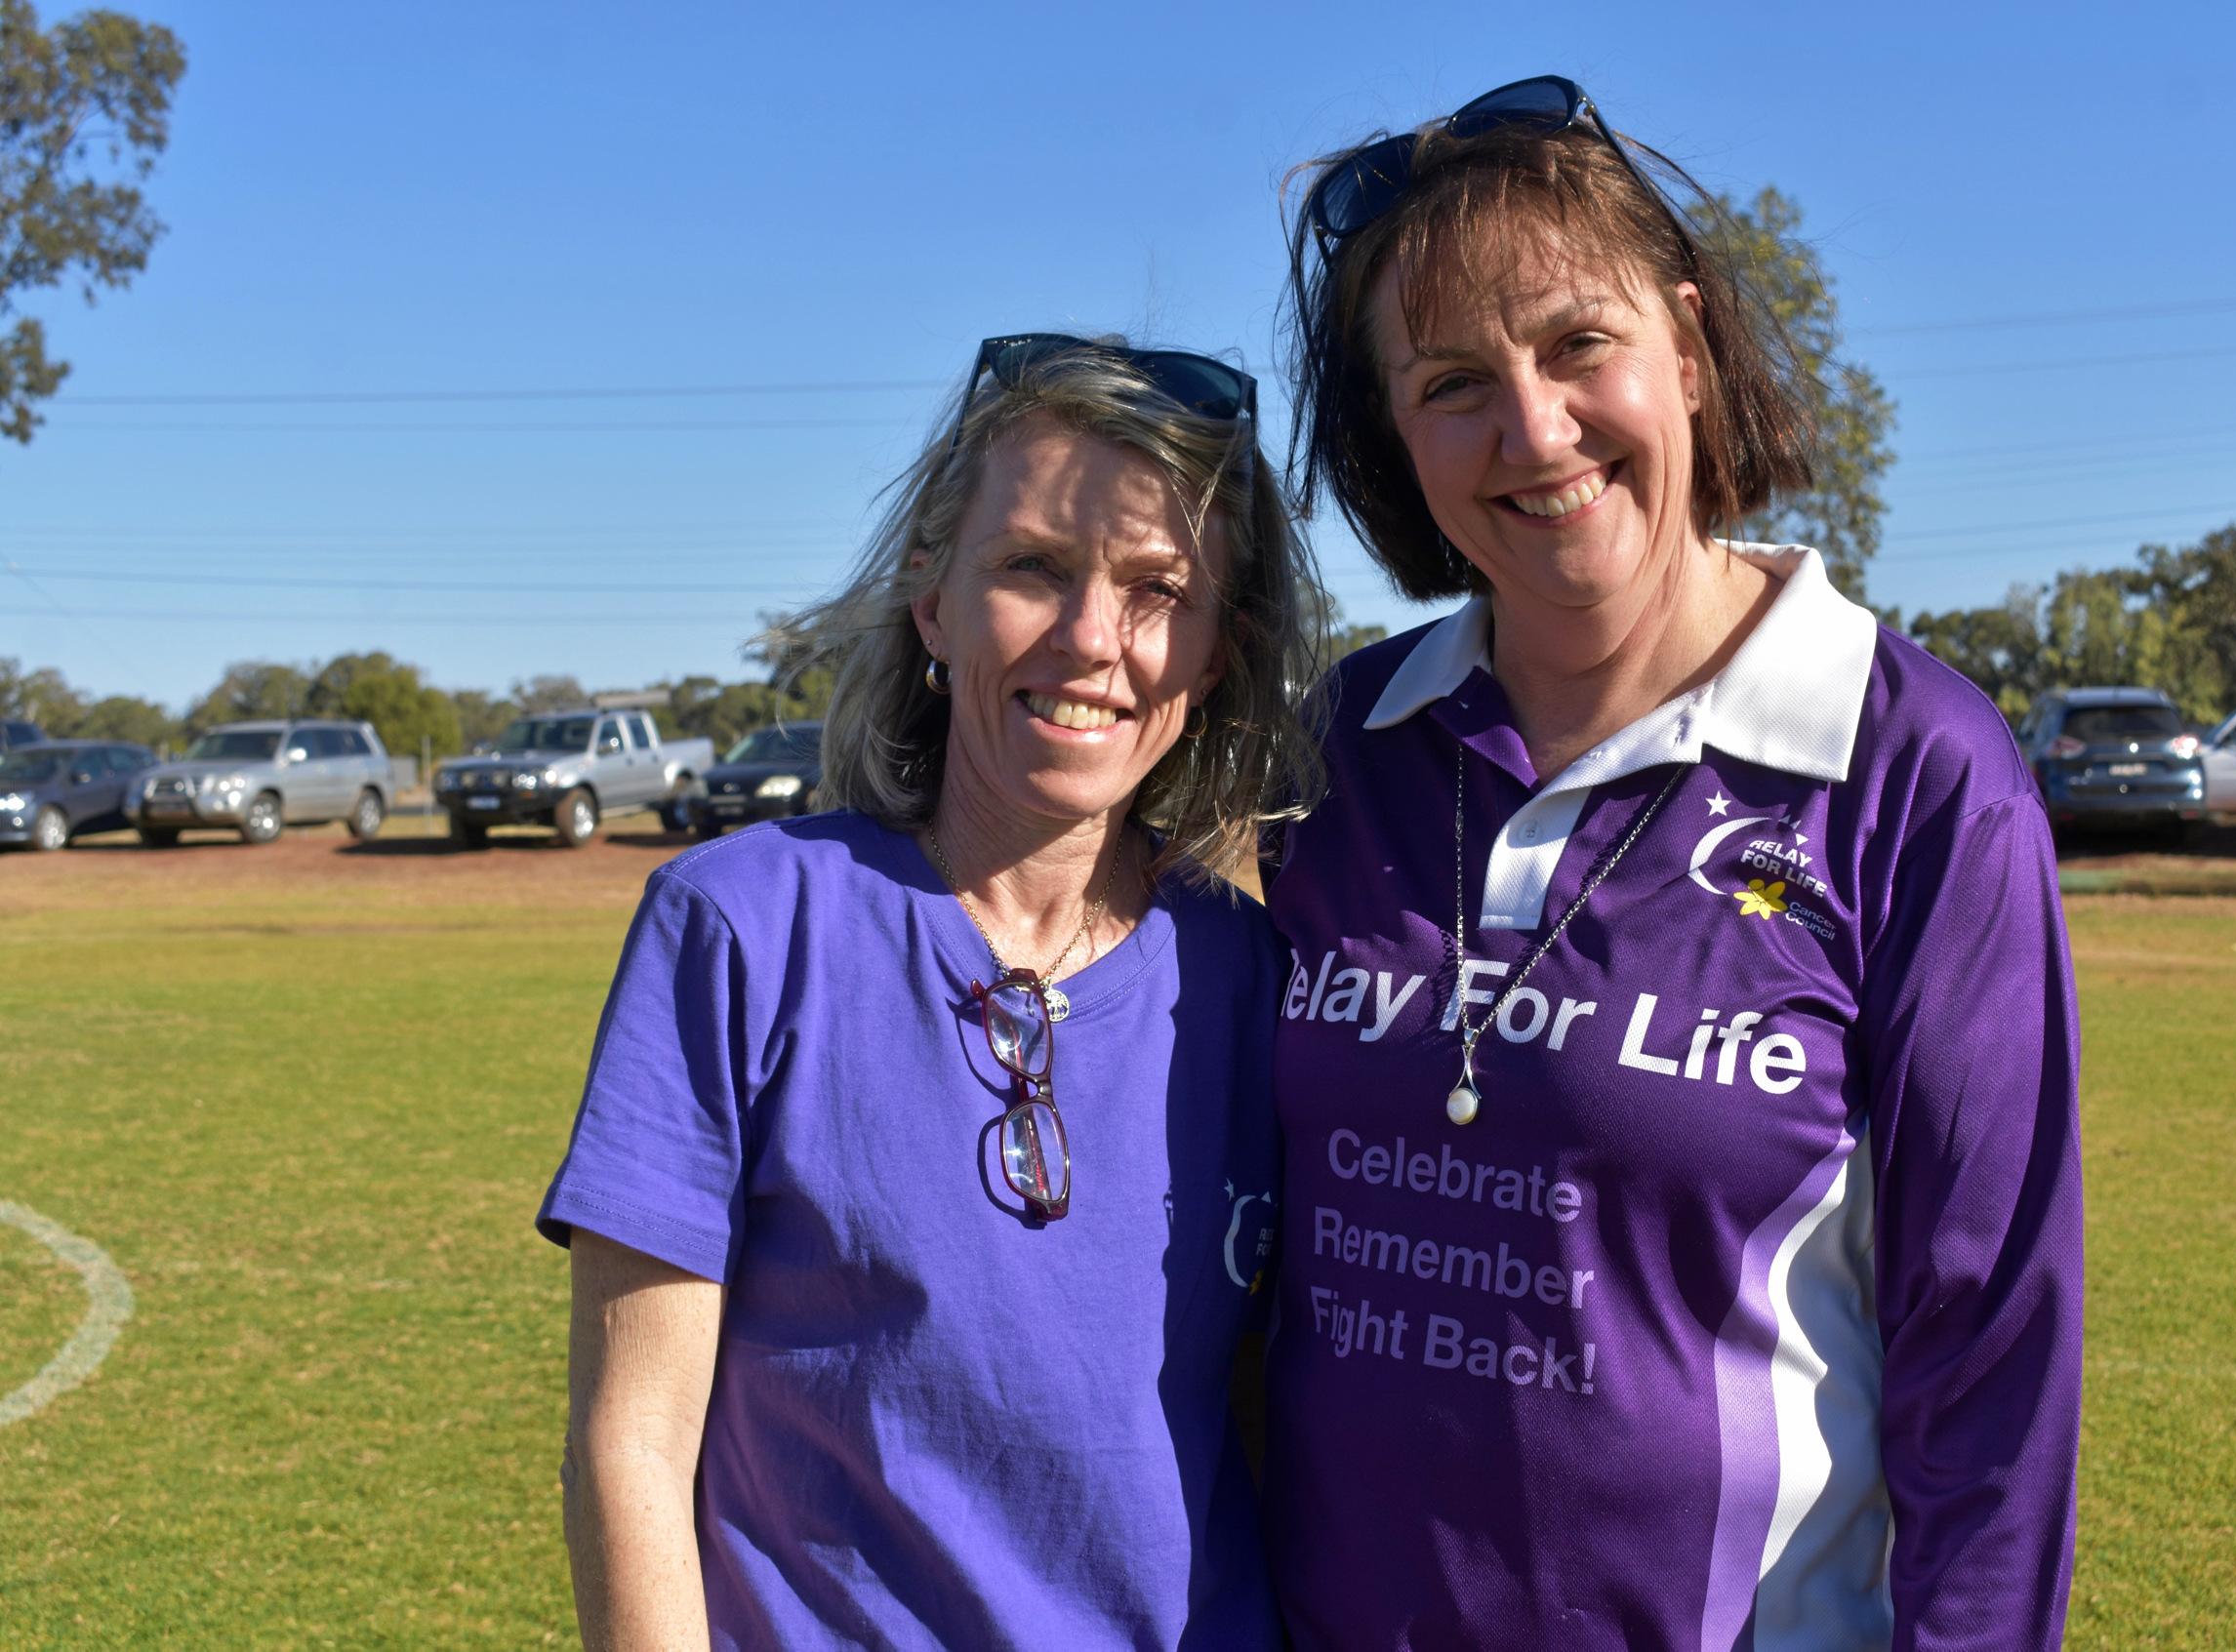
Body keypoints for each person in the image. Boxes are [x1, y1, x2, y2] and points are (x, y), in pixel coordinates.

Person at [1262, 77, 2082, 1650]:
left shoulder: (1912, 766)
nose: (1532, 429)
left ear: (1688, 351)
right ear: (1395, 444)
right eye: (1449, 382)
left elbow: (1991, 1357)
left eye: (1578, 344)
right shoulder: (1339, 752)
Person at [539, 334, 1323, 1651]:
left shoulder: (1253, 975)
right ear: (930, 598)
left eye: (1154, 589)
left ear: (1216, 649)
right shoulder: (740, 924)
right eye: (1031, 566)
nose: (1089, 638)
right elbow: (632, 1436)